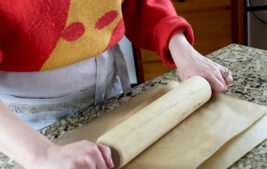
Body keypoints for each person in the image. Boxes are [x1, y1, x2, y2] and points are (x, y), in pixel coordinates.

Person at [0, 0, 233, 169]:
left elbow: (139, 4)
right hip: (25, 127)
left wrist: (181, 49)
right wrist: (41, 155)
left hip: (110, 88)